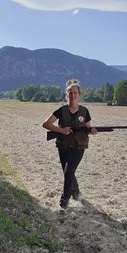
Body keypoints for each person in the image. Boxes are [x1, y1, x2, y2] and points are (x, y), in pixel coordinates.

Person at [42, 79, 97, 209]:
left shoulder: (84, 111)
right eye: (70, 93)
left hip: (79, 146)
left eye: (75, 93)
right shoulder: (61, 110)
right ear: (67, 95)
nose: (72, 95)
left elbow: (88, 129)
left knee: (68, 172)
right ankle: (76, 192)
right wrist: (61, 130)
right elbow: (46, 124)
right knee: (68, 172)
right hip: (63, 146)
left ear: (79, 95)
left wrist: (92, 131)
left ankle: (64, 201)